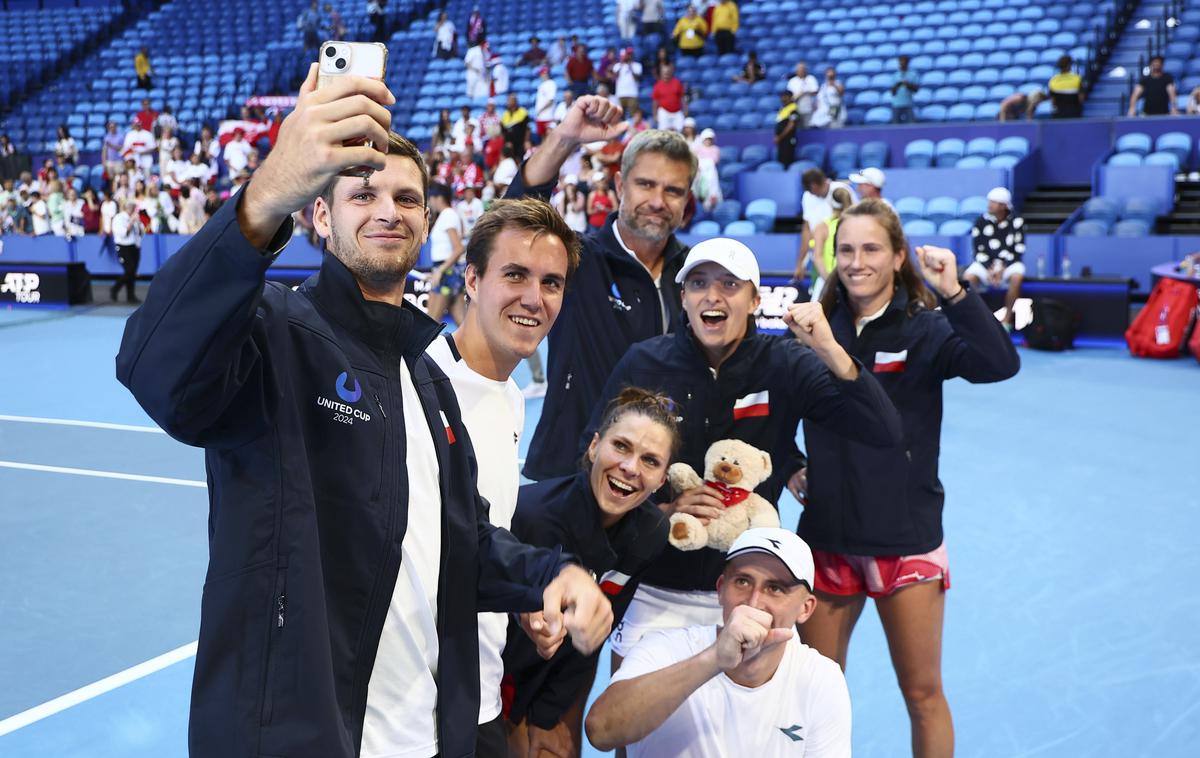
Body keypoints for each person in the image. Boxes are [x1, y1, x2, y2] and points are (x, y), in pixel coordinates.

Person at [115, 64, 612, 758]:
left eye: (407, 198)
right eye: (363, 193)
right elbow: (153, 370)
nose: (388, 210)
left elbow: (461, 543)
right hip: (299, 737)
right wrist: (260, 202)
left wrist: (548, 576)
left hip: (422, 738)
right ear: (319, 215)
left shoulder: (428, 380)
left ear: (427, 222)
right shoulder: (271, 333)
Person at [585, 238, 902, 669]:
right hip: (653, 584)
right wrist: (665, 508)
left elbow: (882, 429)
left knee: (744, 735)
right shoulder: (644, 362)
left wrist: (828, 348)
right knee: (636, 732)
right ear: (683, 298)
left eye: (729, 284)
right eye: (698, 283)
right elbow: (593, 464)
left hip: (748, 594)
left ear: (754, 300)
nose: (712, 296)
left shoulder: (786, 363)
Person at [799, 198, 1020, 758]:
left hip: (906, 540)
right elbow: (774, 403)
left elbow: (1000, 364)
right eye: (845, 249)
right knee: (812, 698)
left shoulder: (926, 330)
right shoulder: (814, 329)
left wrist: (954, 292)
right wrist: (790, 463)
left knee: (922, 694)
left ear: (899, 256)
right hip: (827, 540)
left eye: (871, 248)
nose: (856, 261)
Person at [424, 197, 581, 757]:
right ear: (471, 278)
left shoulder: (513, 400)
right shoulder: (415, 384)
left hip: (480, 695)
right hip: (409, 709)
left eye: (551, 282)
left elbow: (479, 538)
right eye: (514, 274)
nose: (533, 299)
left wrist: (523, 599)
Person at [504, 98, 696, 481]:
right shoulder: (579, 259)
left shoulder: (694, 275)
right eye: (645, 184)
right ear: (620, 185)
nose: (658, 202)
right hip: (569, 477)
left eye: (673, 191)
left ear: (686, 200)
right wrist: (566, 139)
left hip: (655, 486)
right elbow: (513, 219)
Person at [505, 388, 679, 758]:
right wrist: (516, 721)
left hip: (558, 679)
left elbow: (596, 635)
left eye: (650, 461)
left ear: (662, 480)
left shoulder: (650, 533)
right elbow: (484, 635)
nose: (631, 468)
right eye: (621, 446)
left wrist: (548, 717)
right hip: (489, 677)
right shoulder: (531, 517)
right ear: (593, 447)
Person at [586, 528, 851, 757]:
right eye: (743, 581)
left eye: (776, 588)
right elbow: (601, 731)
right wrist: (714, 660)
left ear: (806, 608)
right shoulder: (661, 649)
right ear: (721, 589)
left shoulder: (821, 679)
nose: (754, 601)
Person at [967, 187, 1026, 329]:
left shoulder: (1017, 221)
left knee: (1017, 277)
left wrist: (1002, 267)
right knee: (968, 277)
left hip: (1009, 264)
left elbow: (1019, 249)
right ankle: (975, 319)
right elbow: (978, 249)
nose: (990, 205)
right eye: (990, 201)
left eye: (994, 202)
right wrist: (990, 267)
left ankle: (1006, 321)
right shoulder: (980, 221)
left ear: (1004, 205)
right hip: (985, 263)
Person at [796, 168, 856, 280]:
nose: (810, 193)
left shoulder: (842, 191)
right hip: (818, 259)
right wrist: (800, 263)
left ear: (813, 186)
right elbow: (807, 230)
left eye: (810, 190)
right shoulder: (807, 197)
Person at [427, 182, 466, 325]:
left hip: (447, 272)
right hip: (446, 270)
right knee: (462, 322)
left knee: (431, 321)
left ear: (438, 198)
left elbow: (458, 248)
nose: (430, 203)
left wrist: (440, 271)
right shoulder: (447, 215)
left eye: (431, 198)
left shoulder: (448, 215)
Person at [808, 186, 853, 300]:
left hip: (828, 282)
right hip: (849, 281)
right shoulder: (855, 226)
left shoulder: (822, 227)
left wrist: (829, 280)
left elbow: (817, 257)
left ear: (831, 204)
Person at [110, 199, 143, 302]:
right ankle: (115, 288)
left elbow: (141, 233)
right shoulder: (119, 218)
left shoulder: (134, 218)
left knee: (133, 272)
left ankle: (130, 295)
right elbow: (123, 233)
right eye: (130, 207)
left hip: (134, 246)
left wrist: (138, 222)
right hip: (123, 246)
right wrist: (131, 222)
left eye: (133, 207)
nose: (132, 209)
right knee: (129, 270)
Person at [652, 61, 687, 131]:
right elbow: (655, 102)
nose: (666, 73)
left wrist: (685, 109)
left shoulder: (677, 83)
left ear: (671, 72)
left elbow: (683, 98)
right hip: (664, 112)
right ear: (661, 73)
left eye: (667, 71)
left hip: (677, 112)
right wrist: (655, 115)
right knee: (663, 133)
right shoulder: (657, 85)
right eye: (664, 72)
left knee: (680, 132)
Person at [787, 62, 820, 128]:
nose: (802, 71)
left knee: (808, 127)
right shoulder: (792, 81)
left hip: (809, 108)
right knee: (798, 128)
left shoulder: (811, 78)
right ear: (796, 71)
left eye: (803, 69)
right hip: (796, 108)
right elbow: (789, 96)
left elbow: (816, 91)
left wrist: (805, 92)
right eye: (800, 69)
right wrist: (798, 95)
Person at [773, 89, 799, 167]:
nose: (783, 99)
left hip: (788, 140)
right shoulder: (783, 109)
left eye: (785, 97)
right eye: (781, 97)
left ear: (790, 97)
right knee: (780, 161)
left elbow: (791, 125)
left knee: (787, 161)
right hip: (781, 141)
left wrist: (780, 137)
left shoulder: (793, 108)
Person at [891, 55, 919, 124]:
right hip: (897, 104)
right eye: (901, 62)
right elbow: (893, 92)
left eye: (904, 62)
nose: (902, 64)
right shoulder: (895, 75)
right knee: (895, 125)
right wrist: (897, 85)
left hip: (908, 103)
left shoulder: (913, 75)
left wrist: (908, 85)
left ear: (907, 63)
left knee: (911, 124)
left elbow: (916, 90)